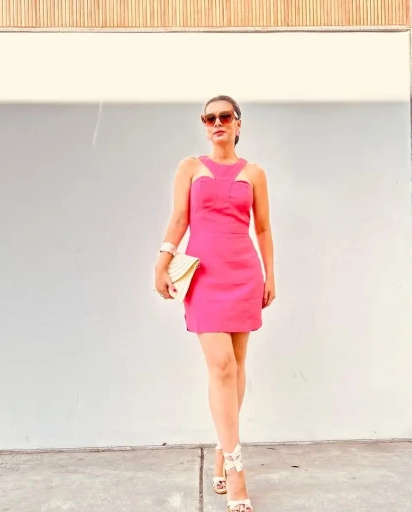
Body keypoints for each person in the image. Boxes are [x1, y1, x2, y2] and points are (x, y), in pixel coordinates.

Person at [154, 95, 275, 512]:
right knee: (221, 365)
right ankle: (236, 468)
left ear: (238, 124)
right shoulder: (190, 168)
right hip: (204, 276)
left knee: (237, 367)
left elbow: (263, 228)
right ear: (204, 125)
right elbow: (179, 219)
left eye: (225, 116)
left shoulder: (254, 173)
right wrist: (162, 260)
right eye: (210, 118)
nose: (217, 122)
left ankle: (224, 448)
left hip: (243, 274)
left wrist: (270, 275)